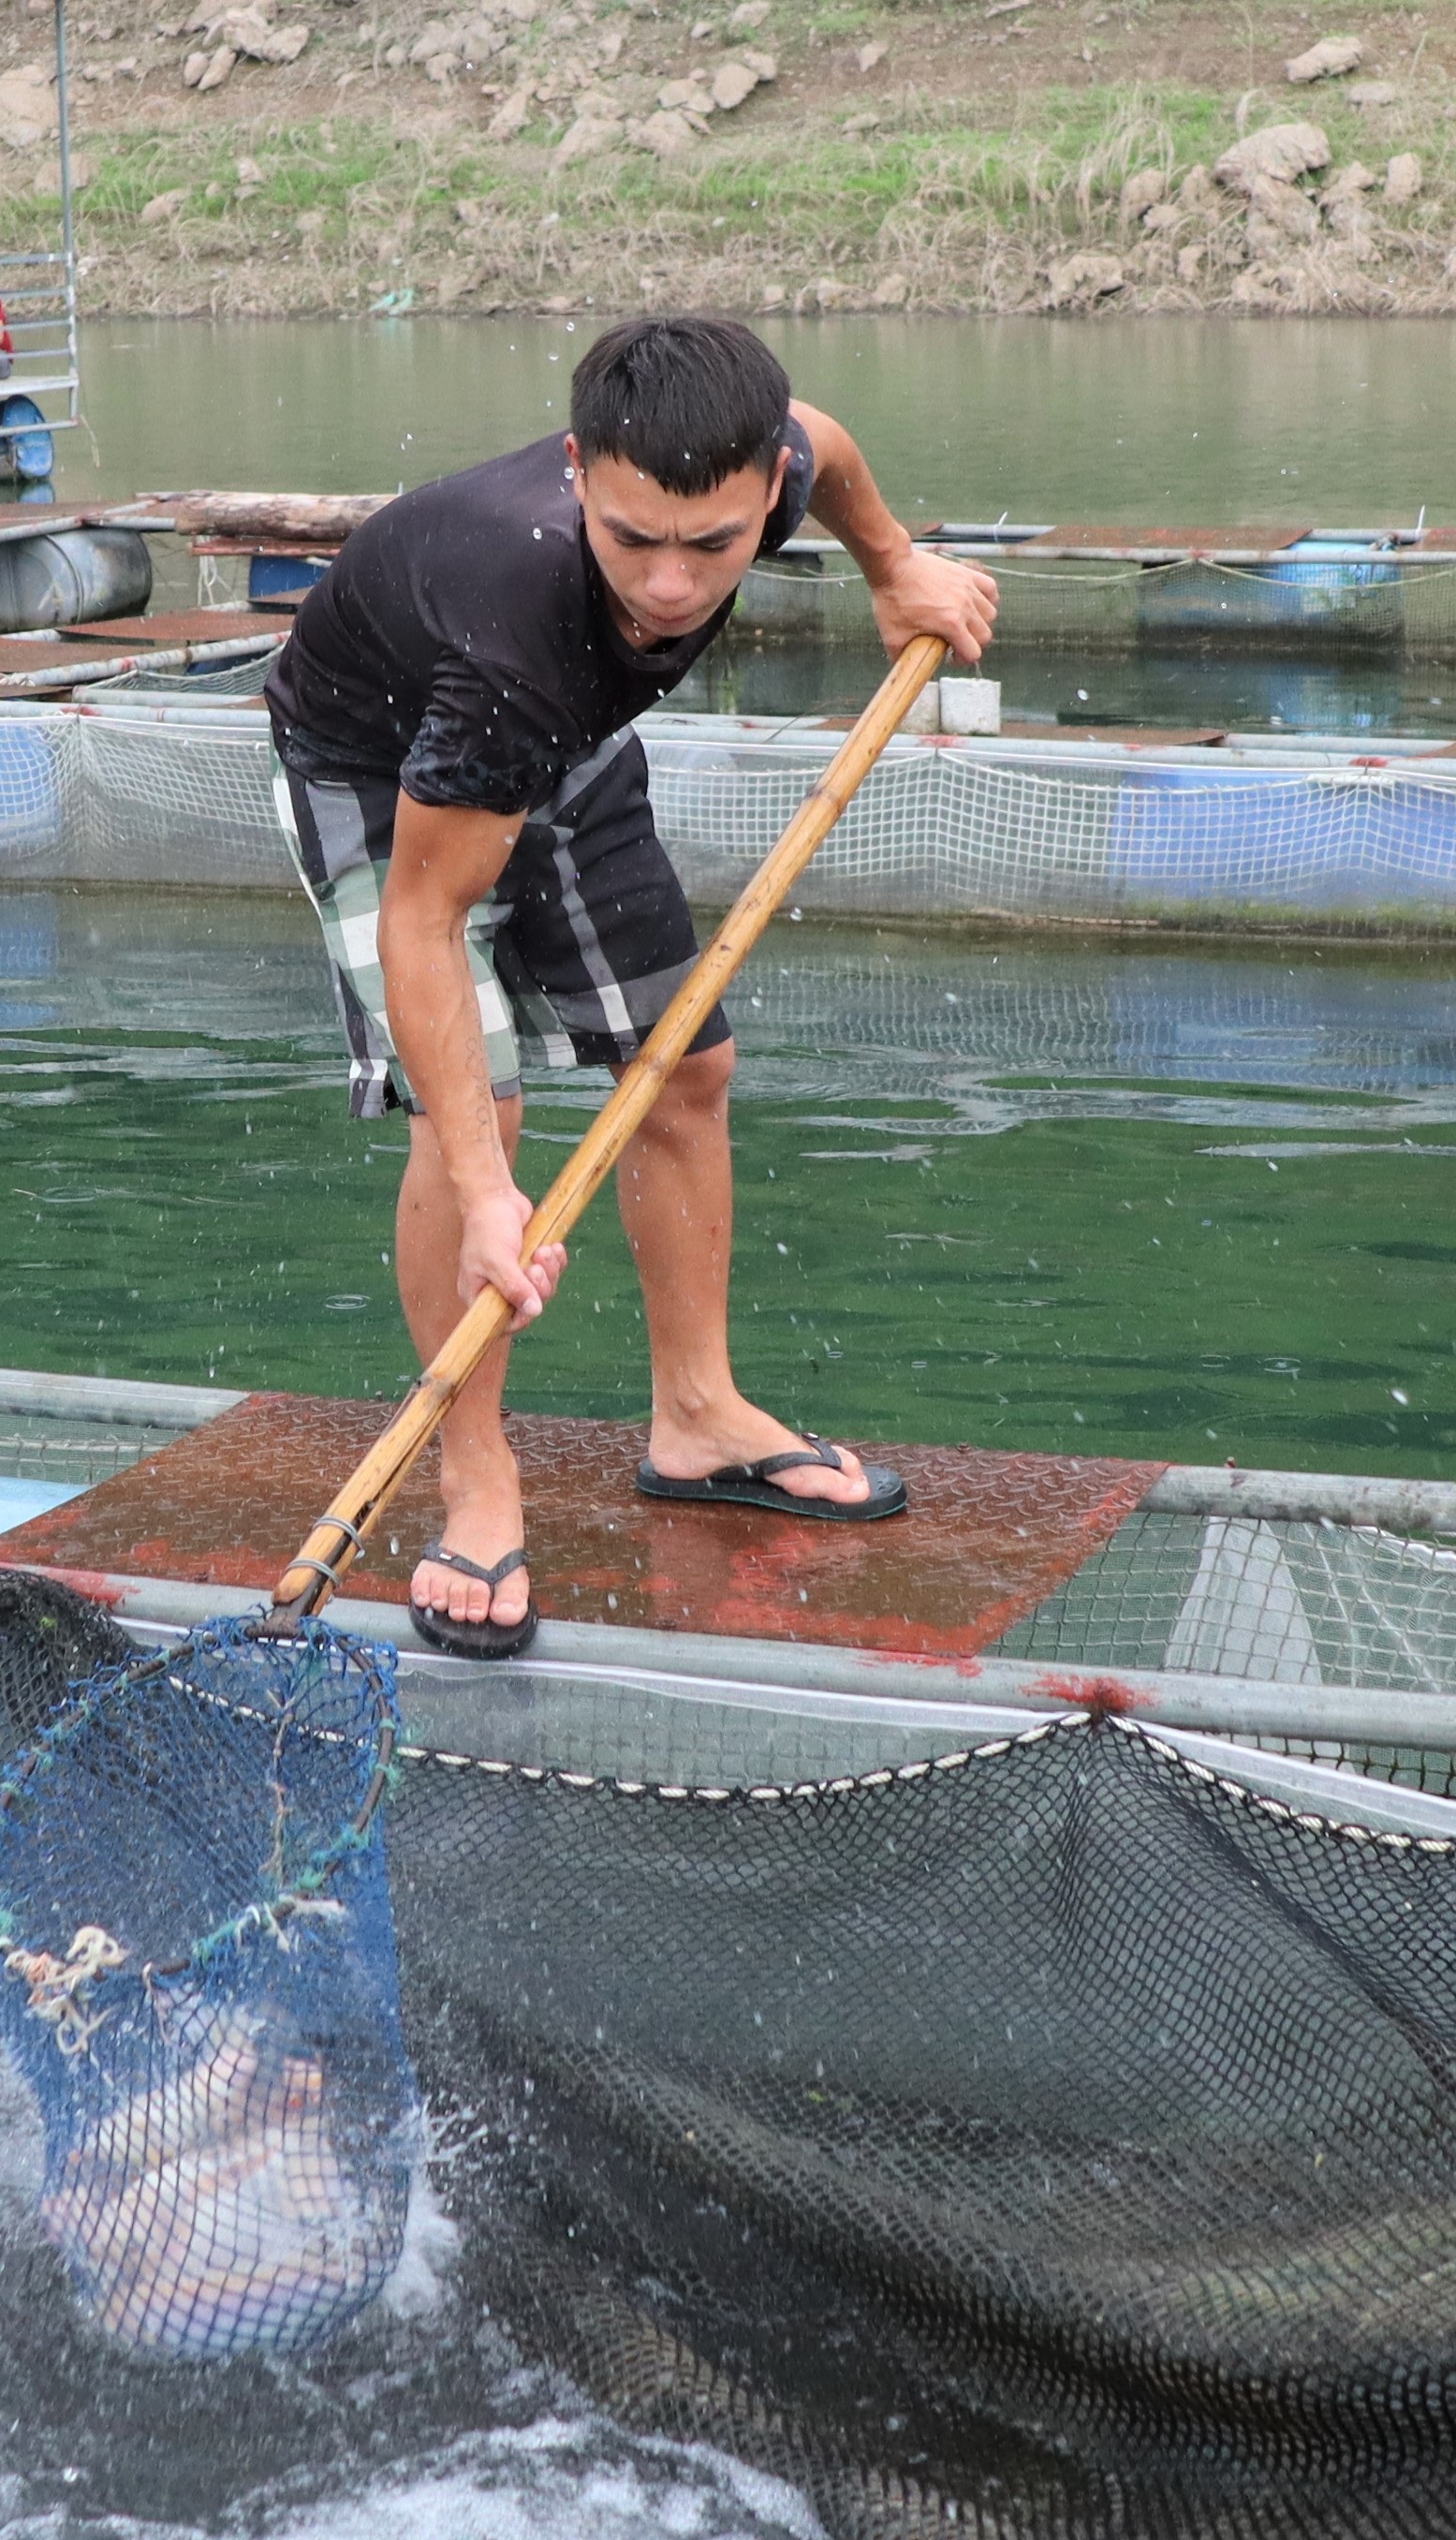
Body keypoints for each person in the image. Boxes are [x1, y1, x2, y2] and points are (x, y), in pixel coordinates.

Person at [260, 315, 998, 1659]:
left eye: (709, 547)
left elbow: (825, 441)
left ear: (759, 494)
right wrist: (488, 1194)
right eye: (630, 539)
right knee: (475, 1116)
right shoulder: (513, 623)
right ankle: (473, 1472)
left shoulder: (771, 464)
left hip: (560, 742)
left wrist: (894, 566)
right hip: (375, 766)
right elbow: (424, 923)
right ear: (575, 471)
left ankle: (697, 1415)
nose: (668, 586)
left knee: (686, 1068)